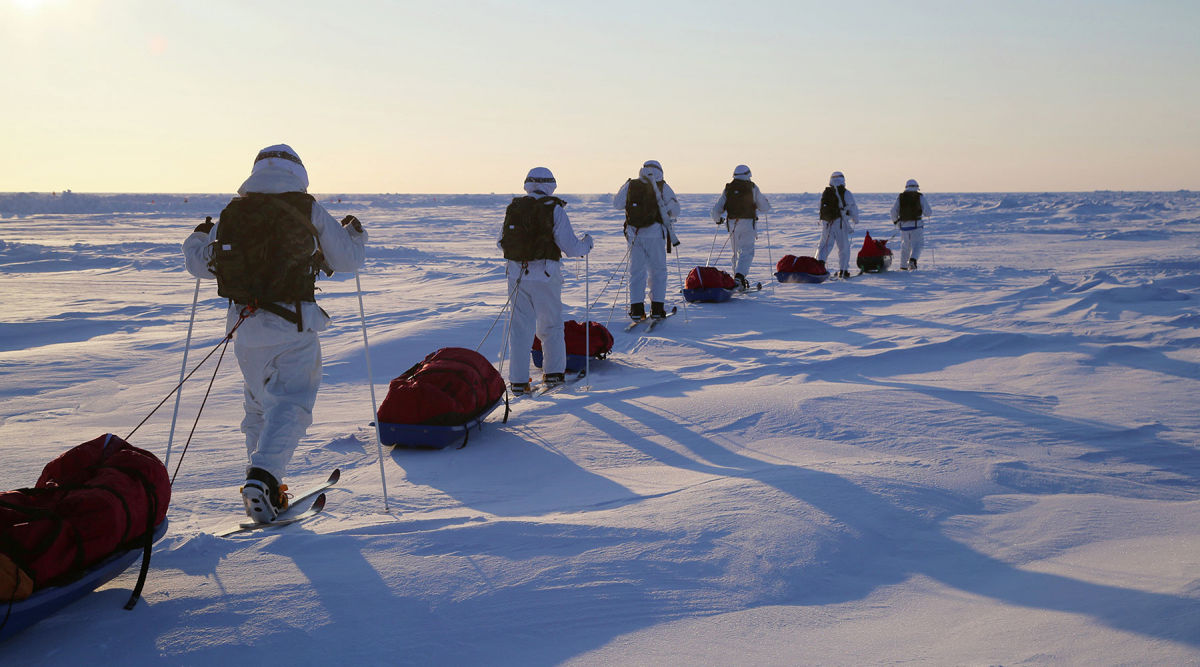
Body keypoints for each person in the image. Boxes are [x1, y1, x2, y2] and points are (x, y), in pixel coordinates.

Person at [182, 144, 366, 522]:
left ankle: (266, 488)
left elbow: (201, 265)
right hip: (292, 323)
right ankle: (264, 478)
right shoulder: (307, 208)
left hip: (244, 327)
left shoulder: (234, 212)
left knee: (260, 406)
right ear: (299, 172)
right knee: (291, 404)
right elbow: (347, 261)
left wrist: (198, 238)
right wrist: (356, 236)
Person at [499, 167, 593, 394]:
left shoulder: (514, 208)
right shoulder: (555, 209)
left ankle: (519, 381)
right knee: (550, 326)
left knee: (521, 328)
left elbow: (501, 242)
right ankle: (553, 375)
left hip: (516, 275)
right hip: (546, 275)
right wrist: (587, 244)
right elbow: (570, 247)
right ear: (551, 185)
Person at [613, 159, 680, 319]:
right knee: (658, 271)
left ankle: (636, 309)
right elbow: (676, 210)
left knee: (637, 271)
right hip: (655, 234)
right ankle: (657, 308)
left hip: (634, 234)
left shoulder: (632, 184)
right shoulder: (662, 186)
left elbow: (617, 204)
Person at [710, 164, 772, 290]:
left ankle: (736, 280)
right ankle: (739, 278)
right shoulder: (752, 187)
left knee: (736, 252)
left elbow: (717, 209)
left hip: (732, 223)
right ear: (748, 174)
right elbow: (764, 207)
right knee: (747, 251)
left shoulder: (729, 188)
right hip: (748, 223)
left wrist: (718, 220)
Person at [816, 171, 860, 279]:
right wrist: (855, 219)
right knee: (843, 247)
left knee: (824, 245)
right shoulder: (846, 193)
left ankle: (818, 266)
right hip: (841, 223)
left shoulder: (826, 192)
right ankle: (843, 270)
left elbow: (820, 207)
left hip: (827, 223)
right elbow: (853, 207)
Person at [890, 178, 932, 270]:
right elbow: (928, 212)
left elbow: (893, 211)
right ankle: (913, 260)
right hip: (917, 226)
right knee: (918, 245)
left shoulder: (900, 197)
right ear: (917, 187)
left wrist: (896, 222)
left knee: (905, 246)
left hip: (904, 226)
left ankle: (903, 266)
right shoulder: (920, 197)